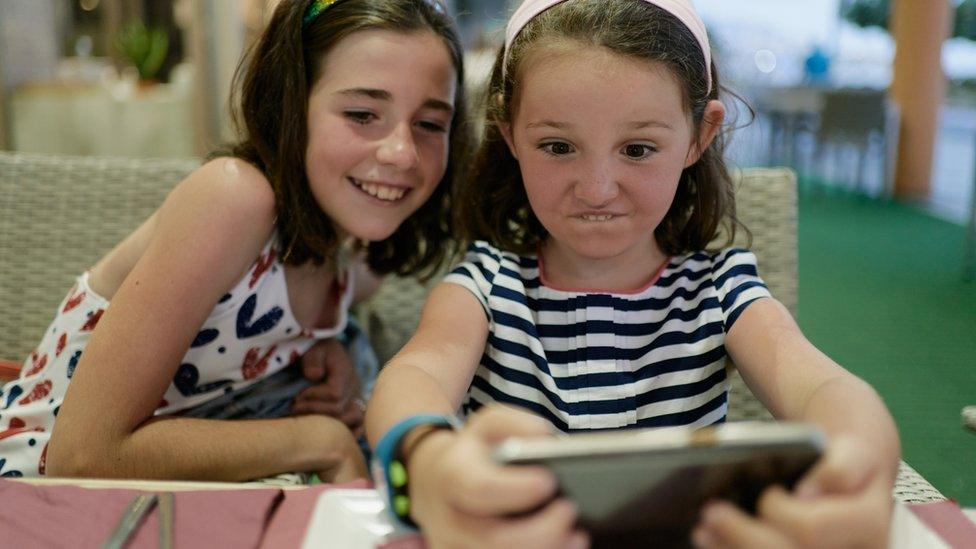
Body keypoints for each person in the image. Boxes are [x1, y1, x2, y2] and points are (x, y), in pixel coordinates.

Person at [365, 0, 900, 547]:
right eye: (557, 146)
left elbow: (824, 387)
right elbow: (415, 379)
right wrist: (427, 459)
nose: (597, 188)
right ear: (509, 136)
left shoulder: (721, 289)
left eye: (638, 148)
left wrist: (859, 464)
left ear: (700, 134)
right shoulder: (485, 285)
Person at [0, 0, 468, 482]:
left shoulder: (358, 256)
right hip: (41, 492)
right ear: (292, 104)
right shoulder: (234, 199)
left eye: (430, 124)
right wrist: (318, 439)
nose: (402, 153)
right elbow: (81, 455)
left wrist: (329, 350)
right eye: (362, 113)